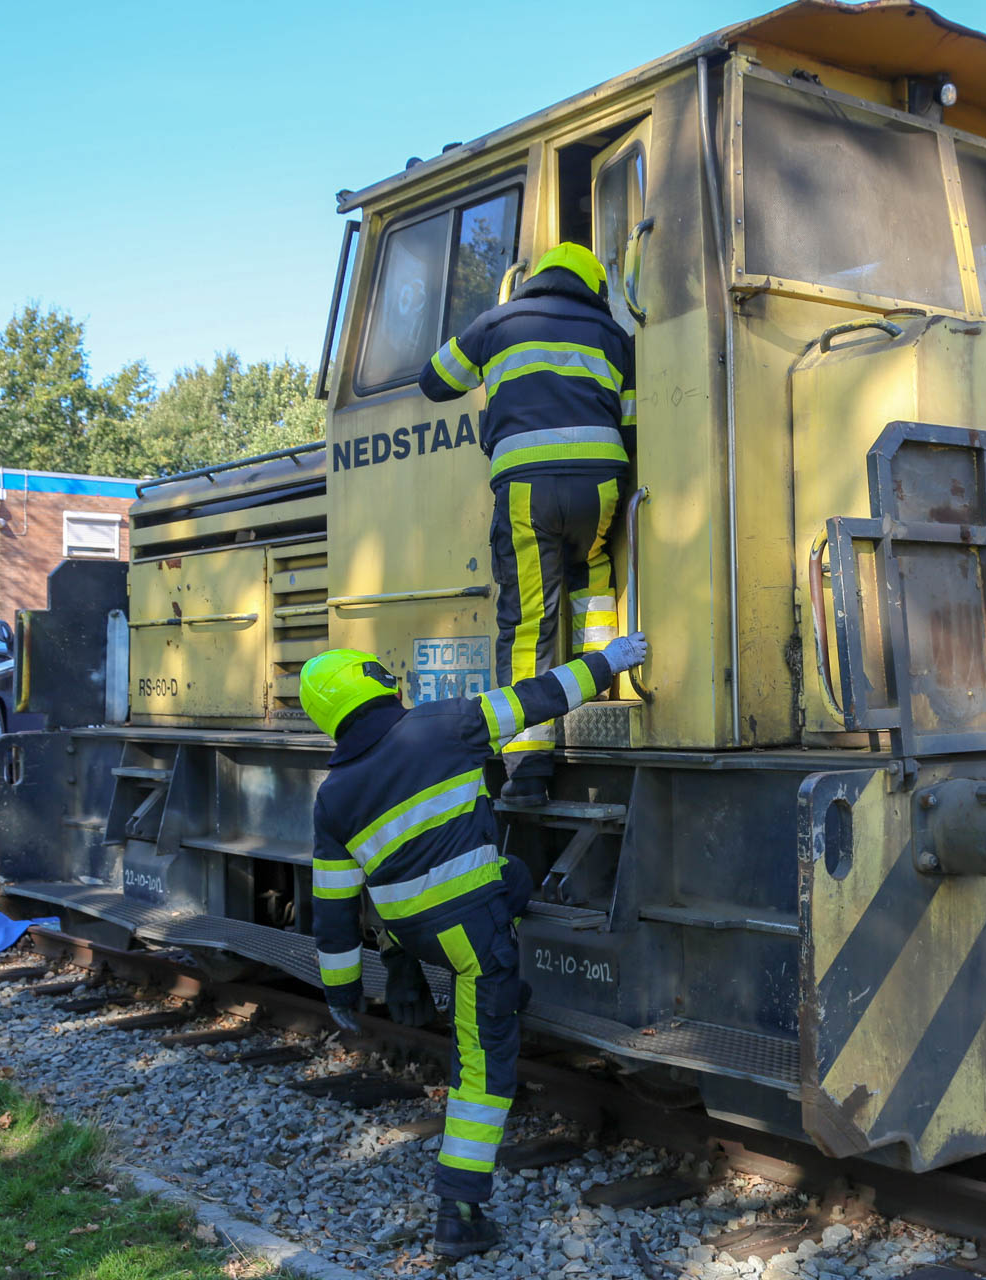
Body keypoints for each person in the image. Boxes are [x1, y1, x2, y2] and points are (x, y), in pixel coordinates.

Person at [301, 630, 649, 1259]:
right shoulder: (445, 724)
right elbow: (539, 697)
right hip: (471, 936)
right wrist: (608, 662)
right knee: (483, 1068)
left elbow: (333, 907)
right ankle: (459, 1210)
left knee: (507, 876)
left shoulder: (333, 797)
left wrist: (342, 992)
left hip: (412, 931)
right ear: (378, 684)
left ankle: (424, 974)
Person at [418, 241, 636, 807]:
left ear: (534, 278)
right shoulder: (615, 336)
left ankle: (528, 766)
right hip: (600, 487)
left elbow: (434, 380)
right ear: (595, 288)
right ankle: (598, 690)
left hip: (527, 489)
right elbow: (632, 422)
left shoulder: (498, 322)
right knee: (592, 577)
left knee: (529, 620)